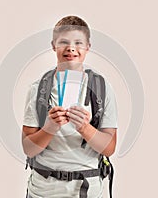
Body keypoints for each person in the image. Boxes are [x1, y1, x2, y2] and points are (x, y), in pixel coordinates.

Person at [22, 15, 118, 198]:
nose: (71, 48)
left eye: (78, 43)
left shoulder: (102, 88)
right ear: (53, 45)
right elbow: (28, 148)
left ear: (88, 47)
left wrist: (85, 128)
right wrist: (50, 128)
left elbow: (109, 148)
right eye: (63, 42)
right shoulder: (38, 88)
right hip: (42, 191)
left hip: (87, 190)